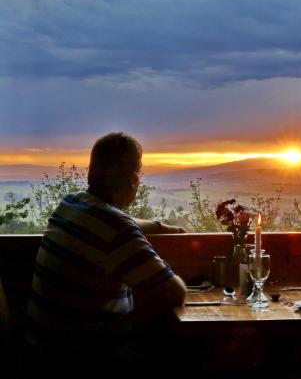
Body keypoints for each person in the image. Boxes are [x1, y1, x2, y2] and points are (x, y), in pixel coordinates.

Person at [25, 132, 187, 376]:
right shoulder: (117, 229)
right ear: (133, 179)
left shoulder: (70, 203)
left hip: (41, 349)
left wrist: (159, 227)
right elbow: (176, 292)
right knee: (182, 357)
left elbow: (116, 221)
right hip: (82, 360)